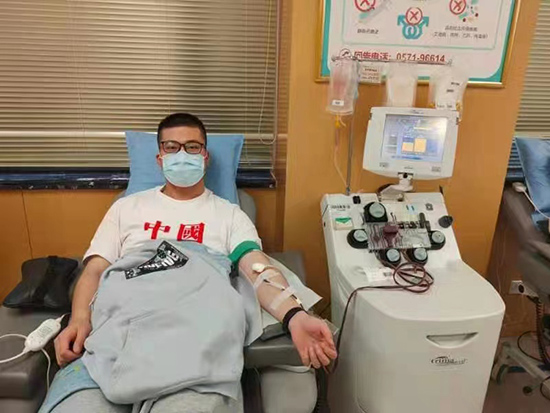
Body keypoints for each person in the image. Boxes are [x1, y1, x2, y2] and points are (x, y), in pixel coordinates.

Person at [48, 113, 337, 413]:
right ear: (159, 158)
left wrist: (294, 315)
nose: (182, 154)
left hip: (195, 337)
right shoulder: (126, 208)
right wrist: (79, 318)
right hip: (121, 328)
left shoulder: (229, 214)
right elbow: (96, 269)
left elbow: (256, 267)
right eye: (171, 147)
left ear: (205, 157)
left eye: (192, 147)